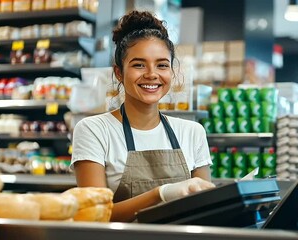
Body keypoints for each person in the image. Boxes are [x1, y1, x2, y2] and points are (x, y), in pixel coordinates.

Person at [71, 9, 215, 222]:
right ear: (119, 72)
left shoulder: (193, 132)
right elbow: (94, 215)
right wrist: (160, 194)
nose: (151, 74)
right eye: (139, 64)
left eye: (162, 65)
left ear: (172, 72)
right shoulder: (94, 130)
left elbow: (205, 210)